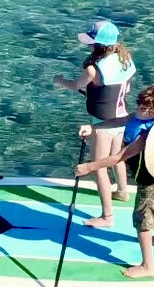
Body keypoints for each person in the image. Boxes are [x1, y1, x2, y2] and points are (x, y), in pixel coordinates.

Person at [74, 83, 154, 278]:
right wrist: (94, 127)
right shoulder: (147, 116)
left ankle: (148, 266)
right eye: (139, 105)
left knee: (143, 222)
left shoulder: (147, 135)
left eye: (144, 108)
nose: (139, 110)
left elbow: (119, 157)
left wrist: (89, 167)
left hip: (151, 182)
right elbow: (124, 119)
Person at [53, 19, 136, 227]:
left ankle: (107, 216)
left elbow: (76, 85)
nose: (88, 46)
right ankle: (123, 191)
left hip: (102, 123)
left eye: (91, 43)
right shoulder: (125, 58)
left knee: (99, 167)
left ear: (98, 45)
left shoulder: (93, 69)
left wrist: (60, 81)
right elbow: (126, 88)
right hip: (121, 117)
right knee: (117, 157)